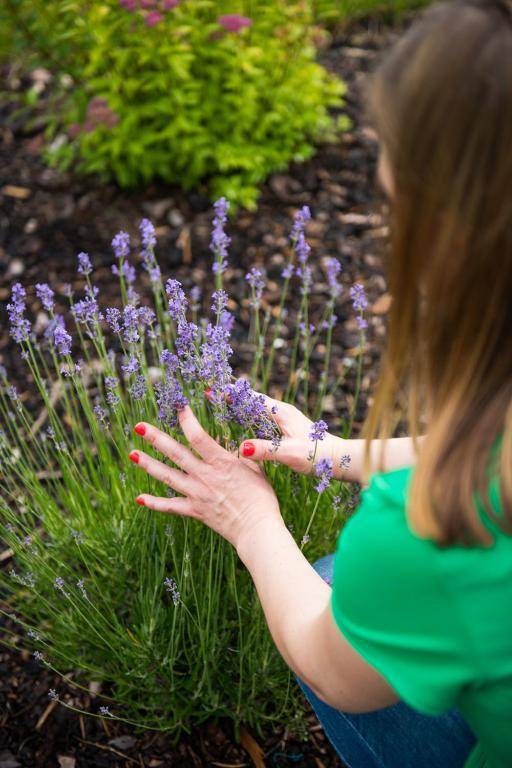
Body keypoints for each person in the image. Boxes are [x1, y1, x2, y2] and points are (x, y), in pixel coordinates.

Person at [128, 1, 512, 765]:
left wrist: (250, 522)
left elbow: (331, 668)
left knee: (332, 587)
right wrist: (335, 452)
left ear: (451, 239)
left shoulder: (429, 534)